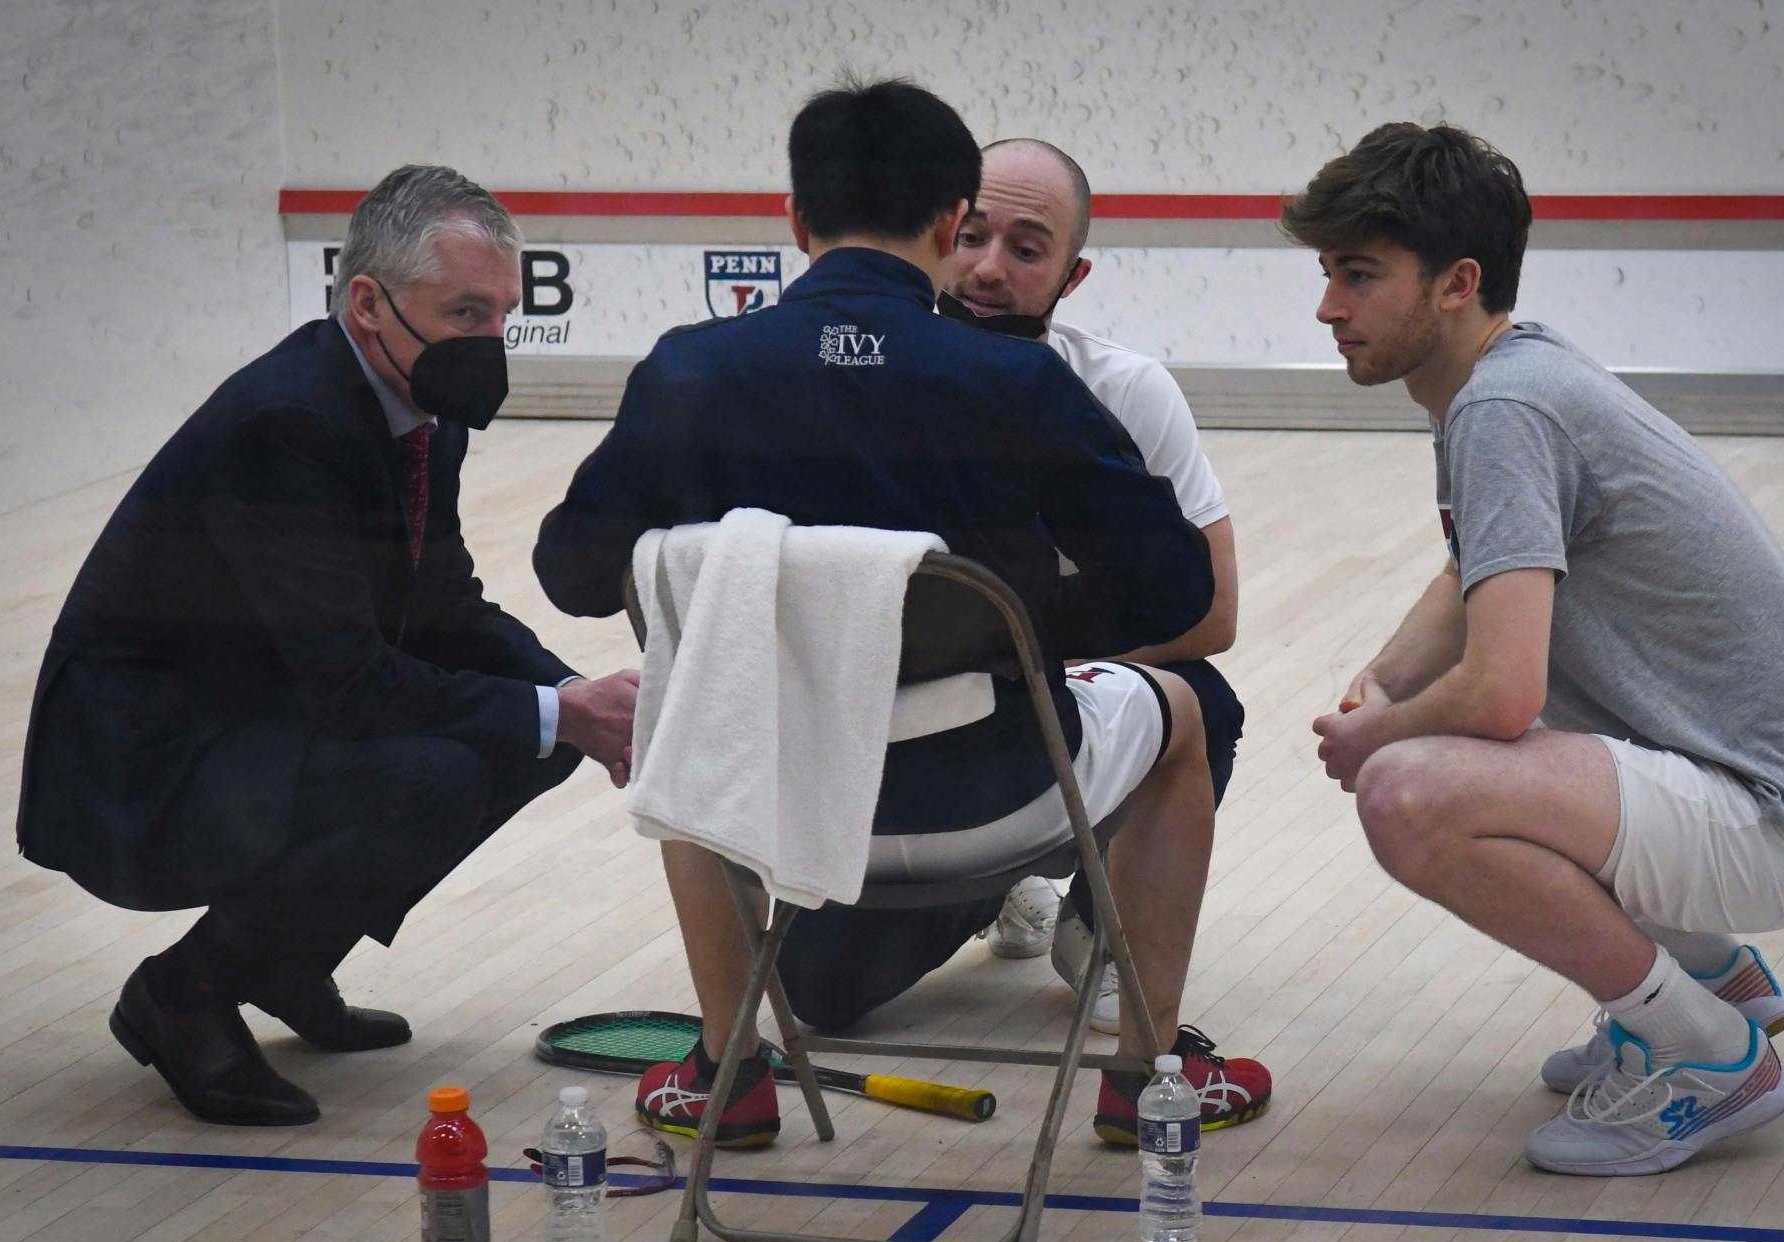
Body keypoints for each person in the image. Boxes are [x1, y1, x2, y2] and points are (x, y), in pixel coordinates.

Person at [534, 78, 1270, 1149]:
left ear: (793, 221)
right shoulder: (1012, 379)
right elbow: (1177, 591)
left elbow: (571, 571)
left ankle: (727, 1071)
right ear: (944, 224)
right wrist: (1020, 618)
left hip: (768, 803)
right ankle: (1142, 1076)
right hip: (1005, 791)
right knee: (1187, 714)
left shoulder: (690, 370)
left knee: (687, 699)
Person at [1282, 123, 1784, 1175]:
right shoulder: (1506, 374)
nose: (1328, 306)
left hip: (1770, 820)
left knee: (1410, 790)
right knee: (1444, 749)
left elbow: (1503, 693)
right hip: (1761, 790)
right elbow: (1481, 566)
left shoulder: (1503, 406)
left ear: (1456, 282)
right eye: (1328, 274)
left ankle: (1702, 1052)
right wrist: (1389, 673)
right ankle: (1708, 978)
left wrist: (1382, 733)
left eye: (1358, 276)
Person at [16, 165, 639, 1126]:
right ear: (368, 301)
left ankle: (285, 957)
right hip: (141, 752)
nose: (491, 343)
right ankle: (185, 991)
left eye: (502, 315)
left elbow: (444, 605)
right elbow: (350, 681)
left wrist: (577, 696)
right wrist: (561, 712)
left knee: (539, 736)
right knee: (435, 769)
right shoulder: (288, 425)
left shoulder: (420, 404)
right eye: (466, 311)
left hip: (257, 709)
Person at [772, 136, 1244, 1037]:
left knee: (1201, 700)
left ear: (1072, 275)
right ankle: (1002, 882)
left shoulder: (1129, 390)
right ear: (938, 229)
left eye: (1026, 249)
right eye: (974, 235)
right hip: (890, 745)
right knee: (820, 998)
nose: (988, 268)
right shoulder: (845, 381)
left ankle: (1098, 925)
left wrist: (1020, 668)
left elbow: (1213, 613)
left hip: (1047, 707)